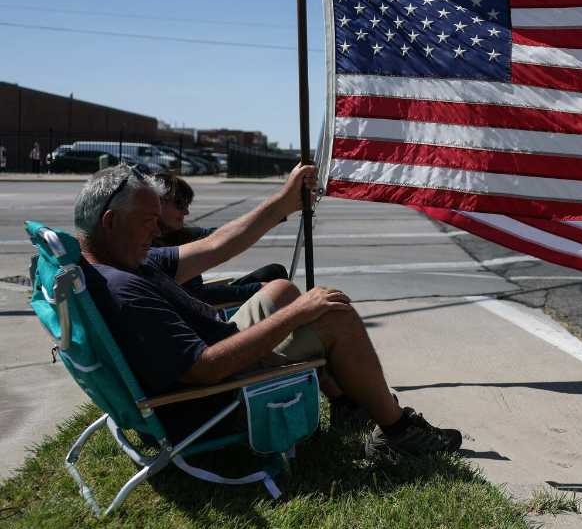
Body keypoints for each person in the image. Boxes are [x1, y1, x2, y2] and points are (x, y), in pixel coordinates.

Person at [73, 163, 460, 456]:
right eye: (147, 222)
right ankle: (397, 431)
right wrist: (298, 314)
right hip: (214, 397)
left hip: (216, 347)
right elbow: (206, 368)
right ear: (111, 221)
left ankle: (346, 401)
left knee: (280, 289)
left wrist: (284, 201)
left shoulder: (122, 262)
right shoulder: (123, 290)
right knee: (335, 315)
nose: (157, 232)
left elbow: (216, 246)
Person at [152, 172, 288, 305]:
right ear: (157, 203)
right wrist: (256, 289)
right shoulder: (151, 248)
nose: (186, 212)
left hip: (203, 299)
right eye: (179, 204)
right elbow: (198, 296)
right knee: (278, 286)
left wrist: (277, 213)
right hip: (196, 310)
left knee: (274, 272)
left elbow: (226, 233)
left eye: (187, 204)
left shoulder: (178, 233)